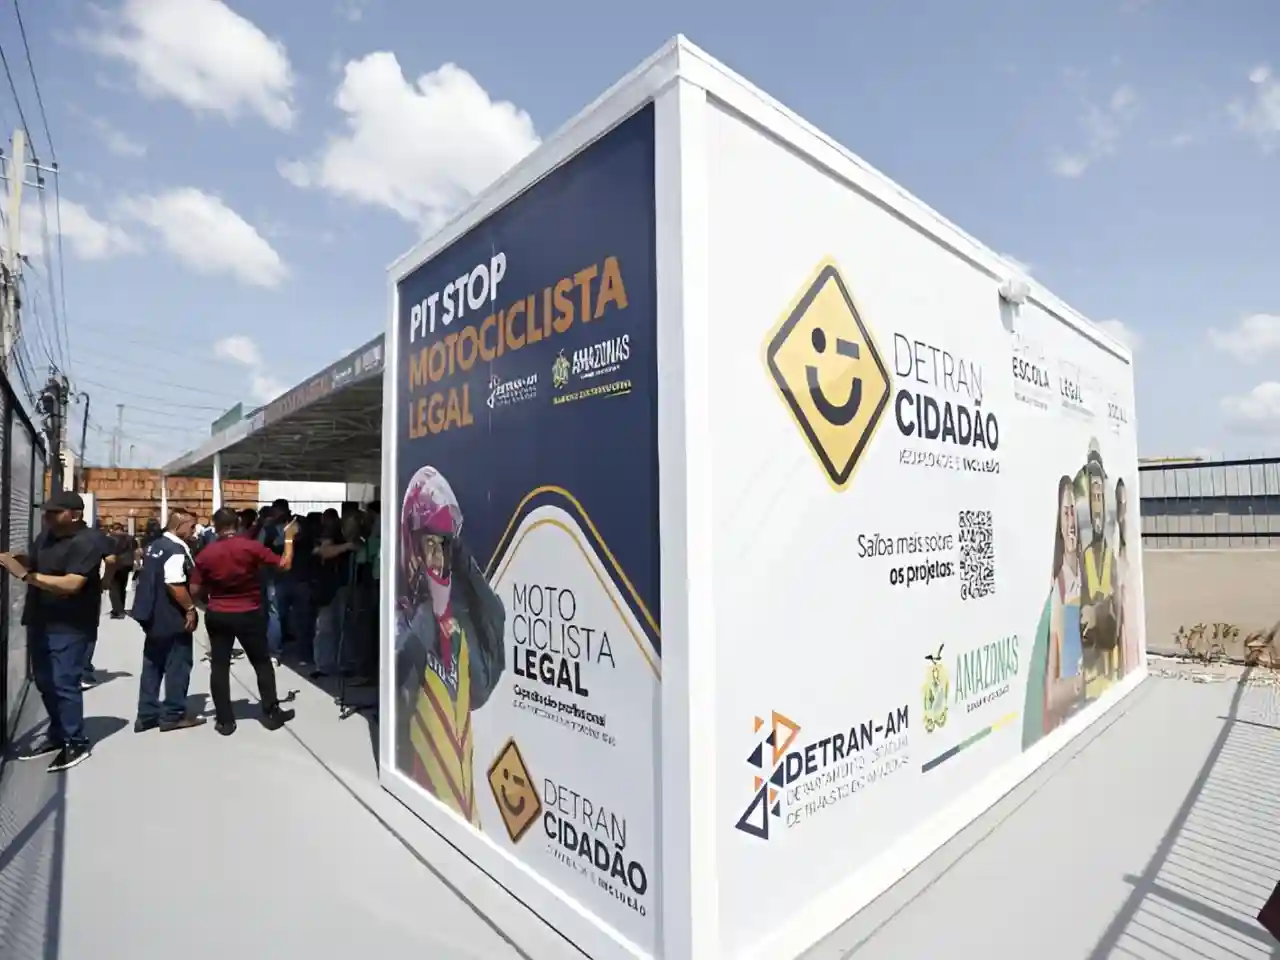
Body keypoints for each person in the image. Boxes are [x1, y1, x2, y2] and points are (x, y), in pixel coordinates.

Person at [0, 492, 107, 771]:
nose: (47, 516)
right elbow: (40, 563)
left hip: (70, 624)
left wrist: (25, 575)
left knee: (64, 682)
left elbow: (72, 583)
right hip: (41, 619)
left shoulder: (88, 541)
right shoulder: (47, 536)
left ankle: (76, 741)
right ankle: (58, 733)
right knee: (45, 681)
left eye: (54, 512)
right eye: (46, 511)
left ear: (75, 515)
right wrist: (22, 560)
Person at [190, 507, 298, 736]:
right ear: (237, 524)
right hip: (248, 611)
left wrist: (208, 602)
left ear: (216, 526)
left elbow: (195, 589)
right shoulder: (250, 547)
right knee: (261, 663)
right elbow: (285, 564)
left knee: (220, 666)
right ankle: (271, 712)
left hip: (218, 612)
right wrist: (289, 537)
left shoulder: (206, 553)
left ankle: (225, 720)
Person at [131, 508, 205, 732]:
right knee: (178, 665)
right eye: (191, 526)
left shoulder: (155, 545)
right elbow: (174, 583)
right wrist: (190, 609)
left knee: (152, 664)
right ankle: (173, 714)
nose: (194, 531)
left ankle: (147, 714)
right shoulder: (175, 550)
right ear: (179, 525)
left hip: (151, 614)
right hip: (170, 616)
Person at [106, 523, 137, 620]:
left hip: (116, 564)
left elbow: (109, 552)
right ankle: (121, 607)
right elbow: (135, 549)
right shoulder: (130, 538)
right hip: (127, 564)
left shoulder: (111, 538)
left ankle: (117, 611)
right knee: (123, 586)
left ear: (113, 529)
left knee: (114, 588)